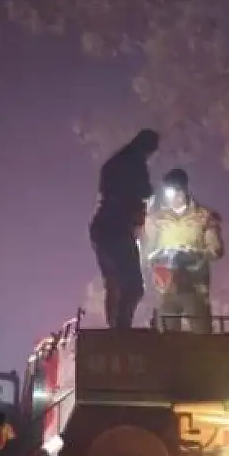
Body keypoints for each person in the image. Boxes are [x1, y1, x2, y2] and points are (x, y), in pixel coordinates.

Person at [88, 128, 160, 330]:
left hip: (100, 228)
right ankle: (122, 329)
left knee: (112, 283)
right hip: (118, 229)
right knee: (134, 286)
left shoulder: (112, 164)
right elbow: (145, 191)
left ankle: (114, 328)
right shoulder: (137, 164)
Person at [142, 168, 224, 333]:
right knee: (167, 341)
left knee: (202, 337)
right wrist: (159, 256)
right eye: (168, 193)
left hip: (195, 287)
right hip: (166, 289)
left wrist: (193, 255)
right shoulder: (157, 219)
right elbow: (145, 253)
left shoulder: (204, 217)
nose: (172, 197)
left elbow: (216, 250)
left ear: (184, 190)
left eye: (175, 192)